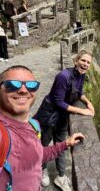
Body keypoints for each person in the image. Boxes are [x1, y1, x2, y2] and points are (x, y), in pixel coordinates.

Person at [0, 65, 84, 191]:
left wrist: (65, 144)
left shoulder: (34, 125)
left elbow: (37, 155)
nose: (23, 90)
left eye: (31, 86)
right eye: (12, 85)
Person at [33, 50, 95, 190]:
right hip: (49, 115)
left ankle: (61, 176)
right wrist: (82, 111)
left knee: (62, 145)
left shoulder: (81, 75)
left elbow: (79, 92)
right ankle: (42, 170)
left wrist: (88, 102)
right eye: (83, 60)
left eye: (88, 62)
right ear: (76, 61)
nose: (85, 64)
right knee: (44, 144)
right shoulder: (63, 76)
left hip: (61, 117)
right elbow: (59, 102)